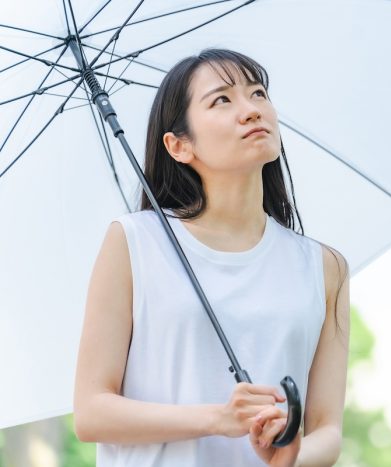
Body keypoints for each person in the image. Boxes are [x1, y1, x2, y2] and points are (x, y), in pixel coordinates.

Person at [72, 48, 350, 467]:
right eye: (222, 99)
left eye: (258, 94)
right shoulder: (134, 242)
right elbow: (92, 412)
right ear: (179, 145)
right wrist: (218, 418)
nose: (251, 110)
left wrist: (290, 456)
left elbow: (328, 429)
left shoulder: (324, 267)